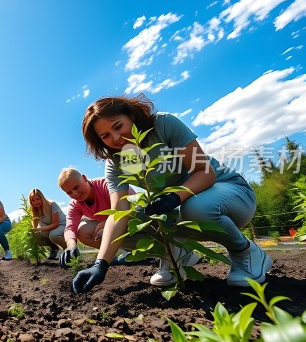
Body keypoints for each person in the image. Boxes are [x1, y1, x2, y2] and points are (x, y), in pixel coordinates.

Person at [72, 95, 272, 293]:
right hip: (180, 205)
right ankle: (176, 254)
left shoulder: (163, 125)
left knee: (195, 207)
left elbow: (204, 172)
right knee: (121, 225)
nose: (115, 138)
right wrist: (101, 264)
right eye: (105, 136)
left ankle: (245, 252)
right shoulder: (116, 163)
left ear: (131, 116)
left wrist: (175, 196)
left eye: (117, 126)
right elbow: (119, 214)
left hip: (229, 193)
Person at [57, 168, 138, 267]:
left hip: (134, 220)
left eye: (76, 187)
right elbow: (70, 228)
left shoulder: (106, 185)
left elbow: (130, 207)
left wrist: (104, 223)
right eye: (69, 192)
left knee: (101, 227)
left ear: (84, 178)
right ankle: (119, 254)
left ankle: (142, 250)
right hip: (113, 228)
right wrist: (71, 245)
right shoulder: (75, 204)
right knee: (82, 230)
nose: (75, 194)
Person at [28, 188, 66, 260]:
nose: (35, 202)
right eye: (33, 200)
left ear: (42, 198)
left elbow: (56, 223)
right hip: (50, 229)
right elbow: (34, 228)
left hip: (63, 225)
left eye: (38, 199)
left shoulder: (52, 204)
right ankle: (54, 248)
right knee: (33, 236)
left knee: (53, 235)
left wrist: (39, 229)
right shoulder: (34, 210)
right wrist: (33, 230)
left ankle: (69, 250)